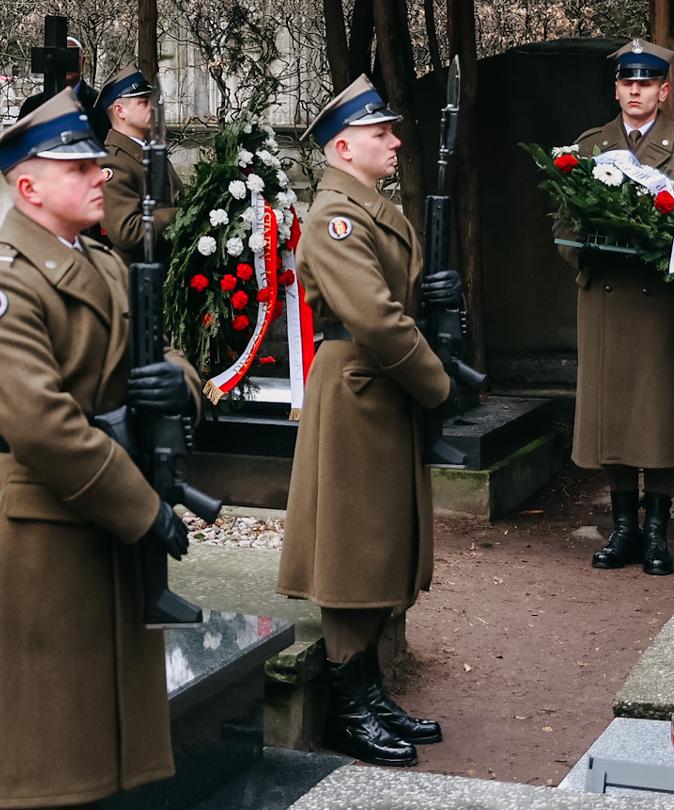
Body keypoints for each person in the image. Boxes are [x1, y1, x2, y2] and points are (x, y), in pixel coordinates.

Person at [0, 91, 201, 808]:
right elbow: (45, 426)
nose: (100, 177)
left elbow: (160, 352)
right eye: (79, 167)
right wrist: (145, 511)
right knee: (46, 743)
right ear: (28, 186)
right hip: (54, 528)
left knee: (98, 735)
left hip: (103, 517)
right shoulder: (0, 289)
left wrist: (173, 383)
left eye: (97, 163)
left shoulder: (100, 262)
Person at [280, 74, 452, 767]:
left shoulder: (368, 205)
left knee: (381, 544)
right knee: (354, 552)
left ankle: (371, 691)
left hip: (378, 393)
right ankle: (351, 708)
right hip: (358, 392)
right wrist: (440, 384)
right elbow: (378, 320)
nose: (394, 141)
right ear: (344, 146)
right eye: (382, 133)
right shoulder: (335, 217)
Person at [565, 40, 674, 577]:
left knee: (657, 414)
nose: (635, 91)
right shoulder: (589, 147)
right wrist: (585, 250)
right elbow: (563, 223)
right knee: (612, 413)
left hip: (658, 303)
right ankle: (623, 528)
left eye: (646, 83)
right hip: (605, 297)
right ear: (617, 89)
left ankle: (657, 531)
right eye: (627, 83)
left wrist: (666, 246)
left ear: (663, 90)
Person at [95, 67, 182, 267]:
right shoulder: (112, 162)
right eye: (143, 102)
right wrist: (180, 215)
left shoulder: (147, 150)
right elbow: (127, 231)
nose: (152, 108)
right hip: (137, 279)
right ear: (120, 111)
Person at [17, 36, 103, 136]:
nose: (66, 64)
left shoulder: (98, 103)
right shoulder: (32, 106)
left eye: (72, 58)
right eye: (62, 58)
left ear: (82, 62)